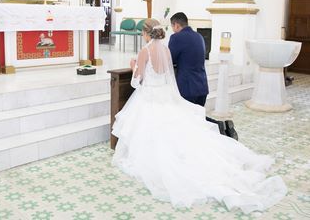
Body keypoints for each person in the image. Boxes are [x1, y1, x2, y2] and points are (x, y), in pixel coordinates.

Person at [112, 18, 287, 214]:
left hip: (151, 97)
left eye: (142, 33)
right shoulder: (166, 50)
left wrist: (134, 64)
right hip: (166, 95)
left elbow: (137, 81)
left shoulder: (145, 51)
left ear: (145, 33)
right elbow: (169, 75)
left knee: (153, 133)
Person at [168, 12, 237, 138]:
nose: (173, 30)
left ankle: (218, 126)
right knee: (197, 119)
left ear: (176, 25)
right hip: (201, 86)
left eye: (173, 27)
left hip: (186, 87)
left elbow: (169, 60)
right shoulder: (199, 36)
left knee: (188, 120)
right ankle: (222, 126)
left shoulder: (176, 38)